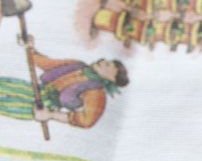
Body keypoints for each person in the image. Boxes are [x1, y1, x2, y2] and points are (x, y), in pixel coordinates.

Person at [0, 35, 129, 129]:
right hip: (36, 89)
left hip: (44, 105)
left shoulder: (95, 92)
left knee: (5, 106)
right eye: (105, 61)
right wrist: (31, 49)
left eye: (107, 65)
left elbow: (87, 121)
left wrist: (50, 115)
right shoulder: (78, 65)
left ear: (112, 79)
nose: (102, 61)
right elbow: (48, 64)